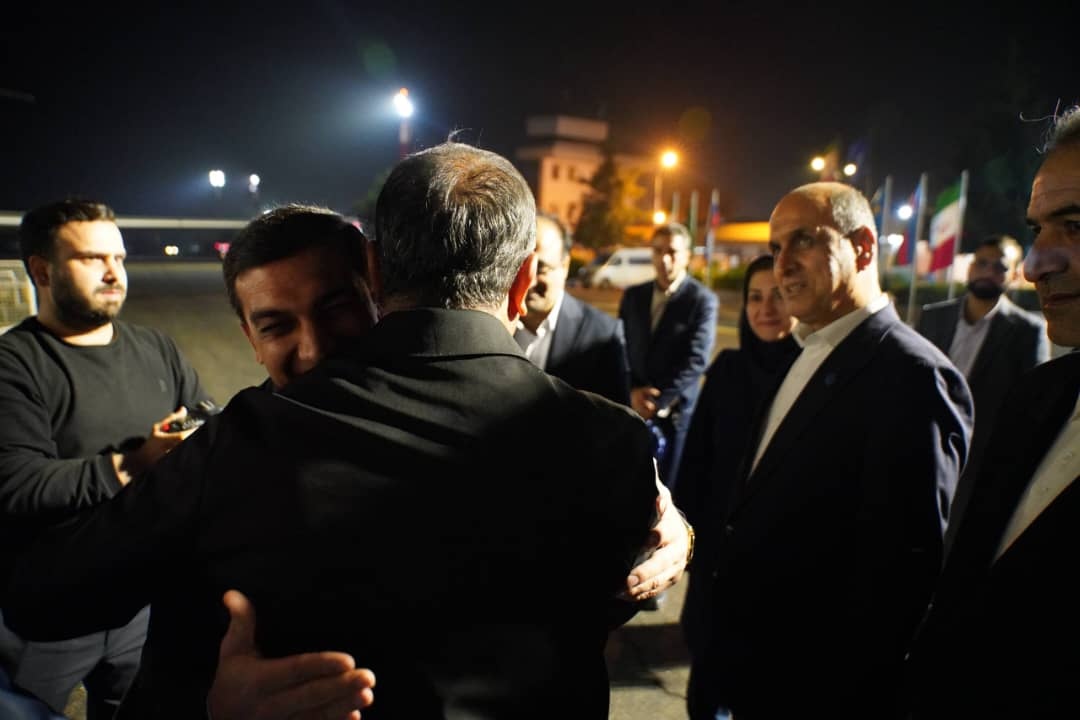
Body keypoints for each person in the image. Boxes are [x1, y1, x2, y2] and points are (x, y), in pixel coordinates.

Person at [3, 142, 664, 719]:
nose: (315, 349)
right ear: (524, 281)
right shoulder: (610, 441)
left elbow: (47, 598)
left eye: (334, 306)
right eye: (275, 324)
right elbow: (609, 598)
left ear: (373, 274)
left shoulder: (242, 446)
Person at [686, 182, 973, 719]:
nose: (783, 265)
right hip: (748, 667)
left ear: (863, 247)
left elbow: (898, 580)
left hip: (811, 690)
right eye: (775, 248)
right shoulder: (808, 350)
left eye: (804, 241)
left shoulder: (912, 376)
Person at [0, 200, 212, 719]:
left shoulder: (156, 349)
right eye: (92, 258)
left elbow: (205, 430)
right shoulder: (14, 364)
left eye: (118, 258)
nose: (114, 273)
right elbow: (17, 485)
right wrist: (135, 464)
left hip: (144, 608)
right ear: (42, 271)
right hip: (47, 616)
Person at [906, 105, 1080, 718]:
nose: (1035, 266)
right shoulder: (1043, 398)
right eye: (1039, 231)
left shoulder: (1027, 347)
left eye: (1076, 226)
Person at [674, 254, 799, 669]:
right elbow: (697, 462)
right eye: (755, 297)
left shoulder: (810, 374)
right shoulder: (728, 369)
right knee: (705, 668)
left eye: (779, 295)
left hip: (777, 564)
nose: (766, 309)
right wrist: (688, 540)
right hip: (717, 554)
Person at [917, 234, 1049, 535]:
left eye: (999, 267)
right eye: (981, 263)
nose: (987, 272)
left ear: (1013, 274)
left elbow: (1032, 407)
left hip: (979, 466)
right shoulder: (933, 318)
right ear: (969, 267)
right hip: (923, 449)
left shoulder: (1027, 332)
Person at [618, 222, 718, 489]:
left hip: (674, 417)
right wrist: (632, 391)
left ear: (687, 256)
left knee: (666, 492)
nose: (664, 259)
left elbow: (697, 359)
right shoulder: (634, 296)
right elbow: (620, 346)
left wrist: (658, 401)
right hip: (633, 409)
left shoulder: (702, 300)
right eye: (657, 250)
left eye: (672, 252)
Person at [515, 212, 630, 404]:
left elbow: (616, 417)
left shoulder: (602, 335)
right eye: (520, 266)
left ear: (565, 266)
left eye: (541, 268)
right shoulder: (489, 325)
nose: (529, 281)